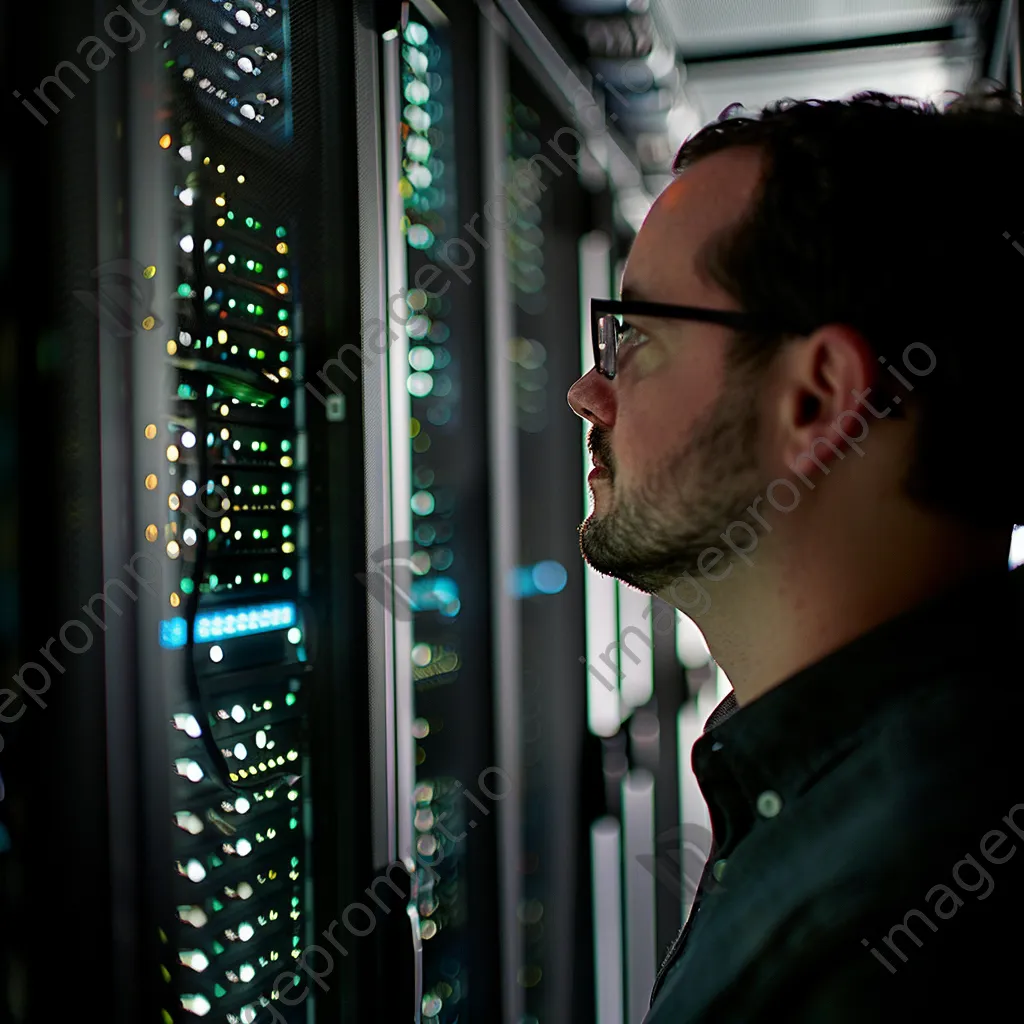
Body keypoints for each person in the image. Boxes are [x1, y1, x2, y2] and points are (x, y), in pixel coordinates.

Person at [567, 88, 1024, 1022]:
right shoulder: (890, 786)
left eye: (639, 337)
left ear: (816, 400)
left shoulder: (873, 924)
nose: (589, 391)